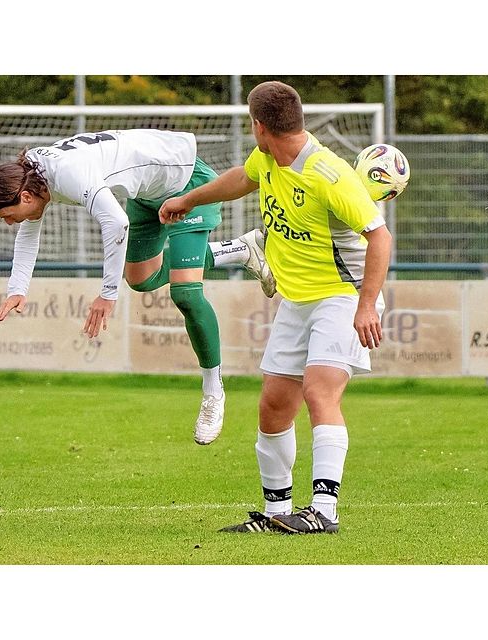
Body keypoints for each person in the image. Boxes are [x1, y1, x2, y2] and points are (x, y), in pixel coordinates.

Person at [160, 82, 392, 534]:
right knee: (273, 405)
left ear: (259, 126)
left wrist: (365, 307)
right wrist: (188, 199)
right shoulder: (266, 159)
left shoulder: (329, 173)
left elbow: (379, 237)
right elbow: (240, 179)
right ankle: (276, 512)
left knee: (319, 392)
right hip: (297, 299)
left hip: (343, 295)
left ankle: (324, 512)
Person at [0, 129, 277, 446]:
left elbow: (116, 222)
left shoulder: (66, 175)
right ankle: (239, 250)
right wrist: (17, 289)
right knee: (141, 278)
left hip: (188, 184)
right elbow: (29, 232)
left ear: (24, 198)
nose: (10, 223)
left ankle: (212, 393)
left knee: (185, 293)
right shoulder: (32, 174)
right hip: (146, 196)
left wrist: (107, 295)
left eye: (8, 217)